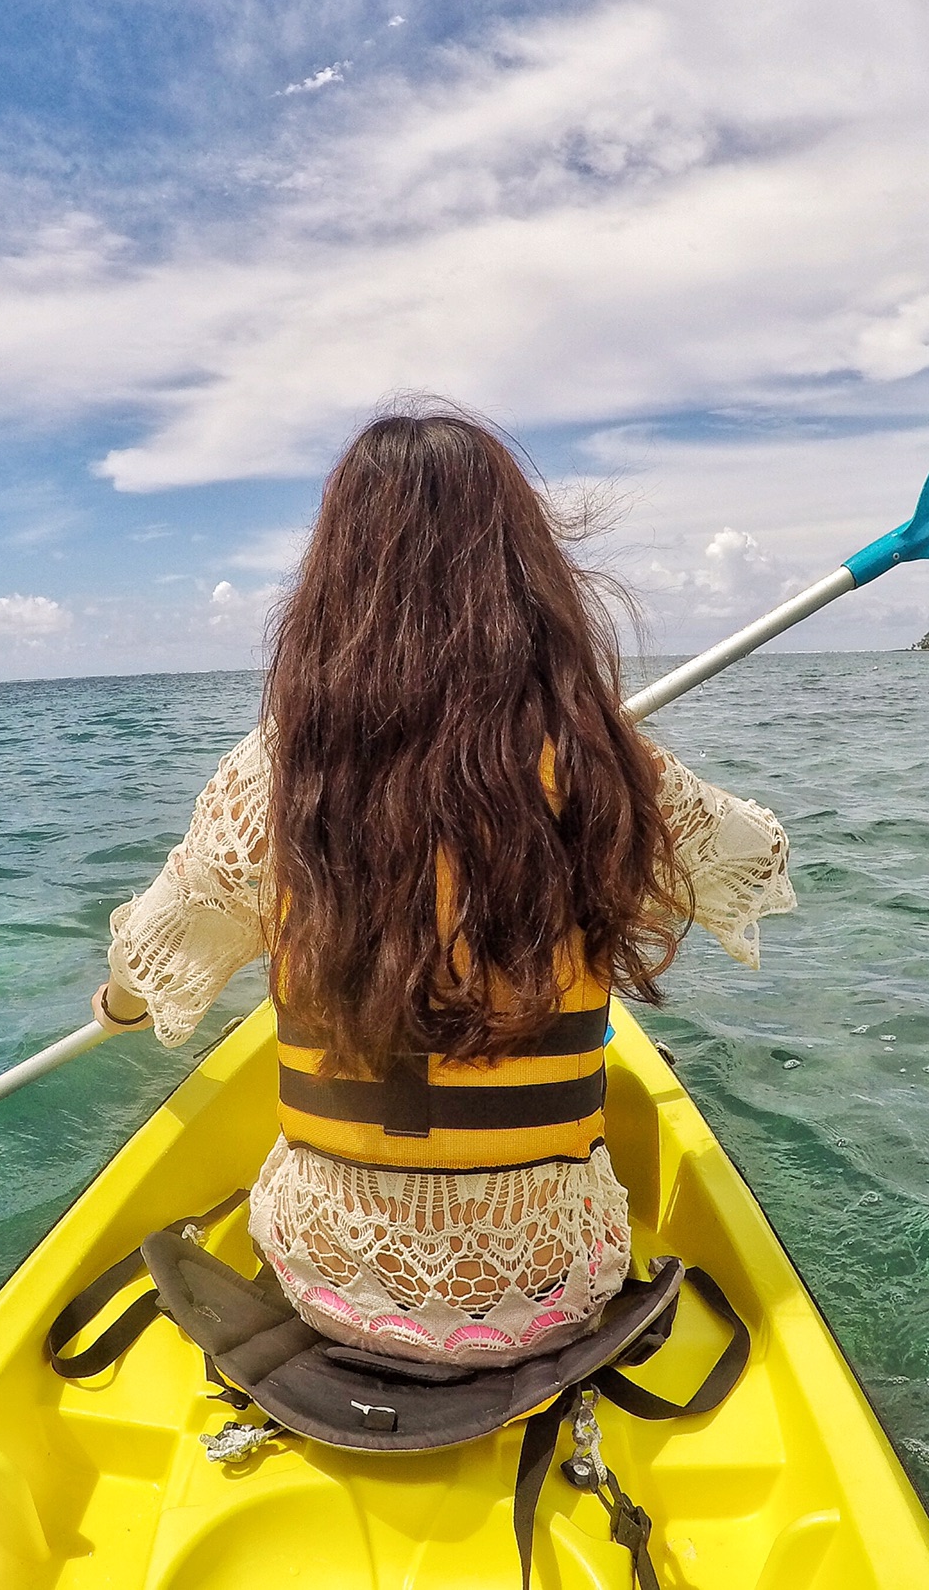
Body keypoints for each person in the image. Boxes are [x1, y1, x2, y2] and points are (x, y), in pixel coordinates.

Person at [91, 407, 794, 1367]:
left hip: (329, 1282)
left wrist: (118, 1006)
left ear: (335, 586)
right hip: (556, 1287)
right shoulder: (595, 761)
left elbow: (158, 952)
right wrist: (612, 758)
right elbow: (752, 857)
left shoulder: (279, 773)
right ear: (528, 577)